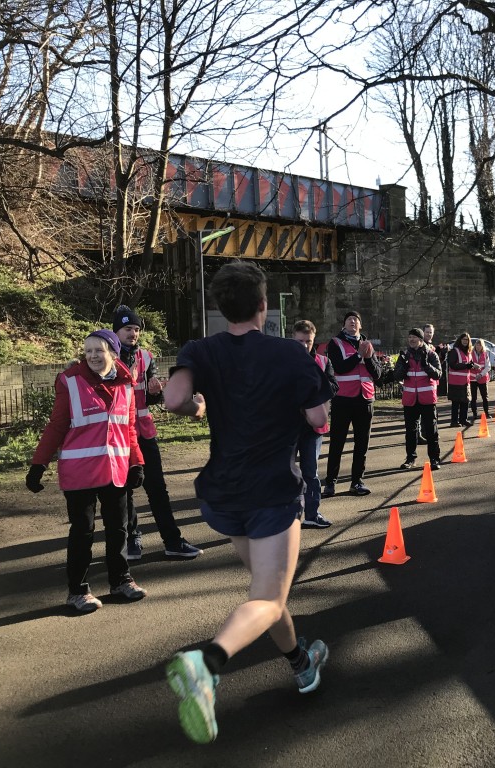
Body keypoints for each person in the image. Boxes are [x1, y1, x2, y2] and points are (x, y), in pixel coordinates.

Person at [163, 260, 334, 744]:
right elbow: (319, 417)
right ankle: (208, 664)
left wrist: (200, 405)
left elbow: (175, 399)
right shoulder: (288, 353)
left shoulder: (201, 349)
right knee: (266, 596)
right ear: (263, 306)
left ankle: (303, 664)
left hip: (224, 492)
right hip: (272, 488)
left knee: (267, 589)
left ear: (221, 307)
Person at [26, 329, 148, 613]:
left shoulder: (126, 385)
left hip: (116, 470)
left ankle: (121, 581)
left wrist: (137, 461)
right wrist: (38, 464)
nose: (92, 355)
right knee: (83, 531)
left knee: (119, 529)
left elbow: (129, 429)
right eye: (88, 350)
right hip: (79, 471)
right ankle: (78, 591)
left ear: (113, 354)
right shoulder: (69, 381)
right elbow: (57, 425)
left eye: (99, 350)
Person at [113, 305, 202, 561]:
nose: (133, 334)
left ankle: (172, 541)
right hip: (119, 435)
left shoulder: (146, 357)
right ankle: (132, 538)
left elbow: (151, 398)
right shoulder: (105, 356)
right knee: (124, 490)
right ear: (116, 331)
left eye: (137, 329)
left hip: (144, 433)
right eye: (128, 329)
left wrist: (155, 391)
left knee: (157, 489)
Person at [322, 311, 384, 497]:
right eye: (349, 319)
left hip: (364, 399)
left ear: (360, 326)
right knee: (337, 442)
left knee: (361, 444)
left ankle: (357, 481)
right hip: (343, 399)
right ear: (344, 325)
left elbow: (377, 374)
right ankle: (330, 483)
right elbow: (339, 367)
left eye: (356, 320)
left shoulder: (367, 345)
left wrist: (367, 357)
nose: (353, 322)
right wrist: (358, 355)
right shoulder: (335, 343)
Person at [293, 320, 339, 529]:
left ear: (314, 341)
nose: (304, 345)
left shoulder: (322, 361)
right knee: (286, 471)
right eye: (300, 341)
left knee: (310, 472)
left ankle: (312, 513)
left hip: (313, 427)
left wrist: (314, 381)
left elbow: (333, 386)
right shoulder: (283, 361)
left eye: (308, 341)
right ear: (293, 338)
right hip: (289, 426)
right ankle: (287, 515)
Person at [394, 327, 442, 470]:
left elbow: (438, 374)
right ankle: (410, 459)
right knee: (410, 431)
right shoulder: (405, 356)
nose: (411, 340)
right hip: (410, 399)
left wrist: (426, 366)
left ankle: (434, 459)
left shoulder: (431, 354)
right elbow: (397, 375)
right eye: (409, 337)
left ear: (421, 340)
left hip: (427, 398)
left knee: (431, 430)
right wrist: (404, 367)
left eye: (414, 337)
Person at [447, 332, 477, 427]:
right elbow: (452, 365)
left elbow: (469, 364)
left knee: (465, 401)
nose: (465, 341)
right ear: (460, 340)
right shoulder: (454, 351)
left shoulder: (469, 352)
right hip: (455, 382)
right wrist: (466, 365)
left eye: (467, 340)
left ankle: (463, 420)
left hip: (465, 381)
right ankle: (454, 421)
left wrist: (472, 365)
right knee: (456, 403)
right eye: (463, 339)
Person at [470, 339, 492, 421]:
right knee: (473, 398)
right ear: (475, 346)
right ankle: (474, 414)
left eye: (480, 345)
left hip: (482, 378)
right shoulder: (470, 354)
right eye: (477, 345)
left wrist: (481, 374)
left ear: (482, 346)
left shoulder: (485, 354)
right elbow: (468, 365)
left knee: (485, 397)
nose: (478, 347)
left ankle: (487, 413)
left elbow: (488, 366)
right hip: (473, 379)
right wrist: (473, 366)